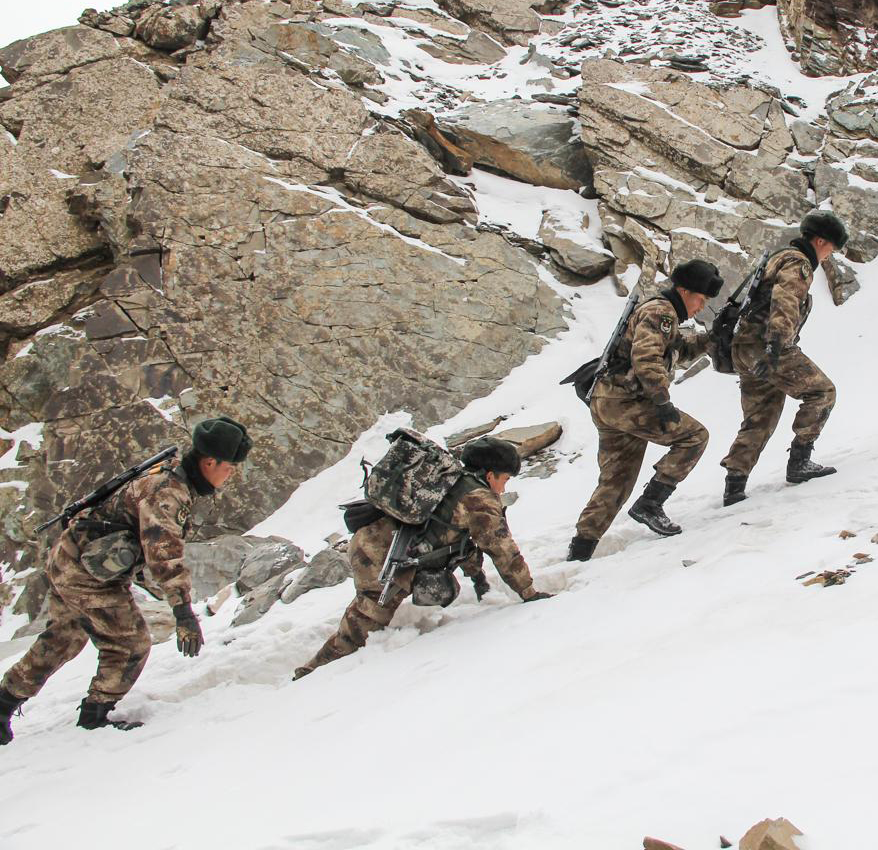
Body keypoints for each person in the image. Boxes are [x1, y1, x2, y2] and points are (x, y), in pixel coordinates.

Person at [0, 416, 251, 743]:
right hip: (86, 573)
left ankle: (3, 703)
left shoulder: (172, 474)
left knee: (63, 638)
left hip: (73, 559)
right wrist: (183, 612)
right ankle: (95, 716)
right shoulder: (168, 492)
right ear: (209, 461)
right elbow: (164, 553)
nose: (230, 475)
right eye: (229, 467)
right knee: (130, 644)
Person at [295, 437, 549, 679]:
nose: (505, 487)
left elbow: (463, 545)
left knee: (366, 612)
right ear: (490, 474)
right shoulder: (478, 500)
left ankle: (320, 665)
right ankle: (313, 673)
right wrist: (528, 592)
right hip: (378, 554)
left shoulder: (455, 482)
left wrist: (480, 581)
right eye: (504, 479)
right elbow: (502, 549)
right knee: (365, 620)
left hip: (374, 540)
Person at [567, 260, 723, 561]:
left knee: (617, 478)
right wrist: (662, 402)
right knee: (694, 437)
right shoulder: (661, 312)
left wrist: (710, 339)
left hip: (607, 401)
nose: (700, 307)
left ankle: (582, 547)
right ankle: (651, 502)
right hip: (627, 401)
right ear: (684, 290)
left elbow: (681, 350)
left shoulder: (663, 313)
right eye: (700, 299)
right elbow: (647, 359)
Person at [719, 212, 847, 507]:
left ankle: (735, 483)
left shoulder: (777, 257)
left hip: (745, 348)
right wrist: (776, 346)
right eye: (830, 249)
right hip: (768, 347)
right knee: (822, 393)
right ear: (819, 241)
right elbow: (785, 301)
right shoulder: (797, 263)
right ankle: (800, 461)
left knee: (759, 417)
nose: (829, 256)